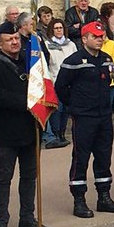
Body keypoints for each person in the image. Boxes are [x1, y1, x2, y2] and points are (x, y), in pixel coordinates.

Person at [0, 22, 54, 227]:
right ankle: (1, 221)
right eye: (9, 39)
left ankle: (27, 218)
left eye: (16, 38)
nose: (15, 42)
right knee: (3, 178)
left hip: (30, 129)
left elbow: (42, 82)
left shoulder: (29, 61)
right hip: (6, 132)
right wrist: (27, 101)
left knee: (29, 177)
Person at [55, 21, 114, 217]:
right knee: (81, 158)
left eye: (101, 36)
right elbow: (61, 88)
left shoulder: (106, 58)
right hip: (84, 117)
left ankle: (104, 196)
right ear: (84, 39)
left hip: (104, 117)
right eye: (95, 36)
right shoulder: (74, 61)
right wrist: (75, 106)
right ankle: (79, 200)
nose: (100, 40)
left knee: (104, 157)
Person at [44, 19, 76, 148]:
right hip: (55, 81)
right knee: (57, 110)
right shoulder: (47, 45)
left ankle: (62, 133)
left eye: (61, 28)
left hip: (70, 82)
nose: (59, 30)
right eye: (56, 28)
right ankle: (56, 134)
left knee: (66, 111)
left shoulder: (71, 44)